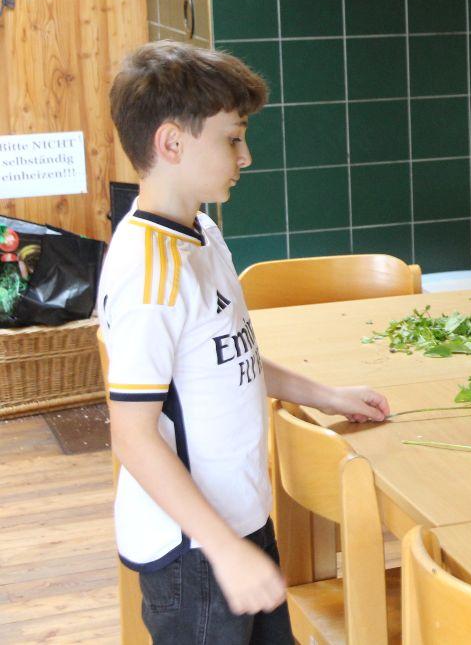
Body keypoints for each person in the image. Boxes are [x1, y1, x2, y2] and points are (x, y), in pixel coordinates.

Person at [101, 41, 390, 642]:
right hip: (194, 551)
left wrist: (329, 396)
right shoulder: (150, 275)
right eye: (232, 139)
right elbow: (132, 437)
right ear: (171, 143)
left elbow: (234, 357)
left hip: (238, 523)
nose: (246, 155)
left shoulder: (202, 232)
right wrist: (223, 549)